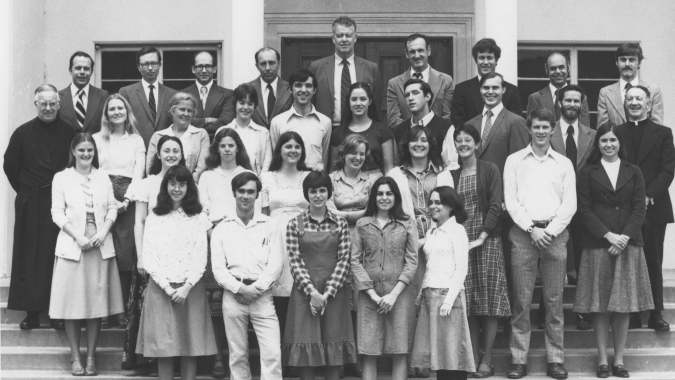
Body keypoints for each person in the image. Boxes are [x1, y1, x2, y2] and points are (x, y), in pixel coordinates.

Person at [573, 123, 653, 379]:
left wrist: (625, 237)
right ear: (598, 144)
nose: (608, 145)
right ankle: (602, 358)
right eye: (604, 141)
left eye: (613, 141)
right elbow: (584, 209)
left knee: (623, 304)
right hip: (599, 244)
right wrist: (608, 235)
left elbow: (639, 207)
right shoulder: (587, 172)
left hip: (628, 245)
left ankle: (619, 359)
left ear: (620, 143)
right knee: (599, 305)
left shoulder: (634, 171)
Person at [503, 107, 576, 380]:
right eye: (537, 126)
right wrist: (532, 229)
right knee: (521, 301)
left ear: (553, 129)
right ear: (529, 128)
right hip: (523, 235)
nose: (541, 131)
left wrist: (550, 231)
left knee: (554, 302)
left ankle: (555, 360)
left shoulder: (563, 163)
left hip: (555, 237)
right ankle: (518, 360)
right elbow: (511, 201)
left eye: (546, 127)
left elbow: (569, 205)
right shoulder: (515, 161)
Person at [49, 133, 123, 376]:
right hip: (74, 247)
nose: (86, 155)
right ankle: (75, 356)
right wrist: (78, 237)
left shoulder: (102, 176)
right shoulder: (61, 178)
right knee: (72, 305)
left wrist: (103, 231)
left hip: (99, 247)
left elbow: (112, 206)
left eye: (90, 150)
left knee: (95, 306)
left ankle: (91, 357)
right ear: (73, 151)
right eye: (81, 150)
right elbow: (57, 213)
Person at [3, 84, 76, 330]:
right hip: (31, 201)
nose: (48, 108)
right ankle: (32, 313)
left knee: (55, 258)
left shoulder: (69, 132)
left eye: (52, 103)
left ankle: (56, 313)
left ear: (58, 104)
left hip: (60, 203)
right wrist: (26, 191)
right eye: (43, 103)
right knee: (28, 257)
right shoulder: (22, 132)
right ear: (36, 104)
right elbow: (10, 166)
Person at [136, 165, 217, 380]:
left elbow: (201, 254)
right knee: (165, 346)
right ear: (165, 186)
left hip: (190, 288)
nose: (177, 188)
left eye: (182, 184)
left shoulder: (198, 216)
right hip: (162, 288)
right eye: (172, 183)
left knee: (190, 345)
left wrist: (187, 286)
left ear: (189, 187)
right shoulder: (155, 216)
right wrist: (167, 287)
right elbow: (150, 255)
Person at [283, 171, 357, 380]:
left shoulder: (339, 223)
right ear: (307, 194)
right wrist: (313, 293)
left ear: (329, 193)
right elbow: (295, 262)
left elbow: (344, 260)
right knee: (307, 349)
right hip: (305, 293)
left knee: (333, 347)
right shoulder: (294, 224)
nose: (318, 195)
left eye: (322, 190)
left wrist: (327, 293)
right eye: (313, 191)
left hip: (334, 292)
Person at [121, 135, 187, 371]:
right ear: (158, 154)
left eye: (175, 151)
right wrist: (141, 256)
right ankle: (147, 359)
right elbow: (139, 222)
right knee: (148, 307)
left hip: (180, 260)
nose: (171, 154)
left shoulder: (188, 183)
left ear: (181, 155)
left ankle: (176, 358)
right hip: (150, 255)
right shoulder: (147, 184)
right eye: (166, 150)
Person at [211, 172, 284, 380]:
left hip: (263, 296)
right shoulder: (222, 229)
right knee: (238, 354)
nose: (245, 196)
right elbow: (218, 269)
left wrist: (255, 289)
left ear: (257, 195)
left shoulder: (271, 225)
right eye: (241, 191)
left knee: (272, 353)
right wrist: (241, 289)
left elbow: (276, 265)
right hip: (233, 296)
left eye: (250, 191)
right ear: (234, 193)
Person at [450, 124, 509, 378]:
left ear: (477, 143)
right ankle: (472, 357)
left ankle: (487, 358)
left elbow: (496, 206)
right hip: (461, 242)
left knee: (490, 300)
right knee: (469, 299)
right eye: (458, 140)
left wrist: (482, 236)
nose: (463, 144)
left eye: (467, 140)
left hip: (487, 241)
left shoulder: (490, 169)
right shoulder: (452, 174)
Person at [618, 85, 674, 331]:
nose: (634, 102)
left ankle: (655, 314)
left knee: (653, 259)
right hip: (624, 207)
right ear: (625, 104)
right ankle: (630, 313)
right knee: (628, 261)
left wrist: (650, 194)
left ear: (649, 104)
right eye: (630, 99)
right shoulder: (616, 132)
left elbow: (667, 169)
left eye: (639, 98)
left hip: (654, 206)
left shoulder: (663, 133)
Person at [351, 176, 418, 380]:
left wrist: (393, 295)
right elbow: (354, 260)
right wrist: (372, 294)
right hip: (368, 296)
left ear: (395, 196)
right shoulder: (363, 224)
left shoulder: (407, 223)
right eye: (380, 193)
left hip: (399, 295)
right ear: (374, 197)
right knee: (369, 351)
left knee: (399, 351)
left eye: (389, 193)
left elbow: (412, 261)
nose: (384, 197)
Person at [92, 94, 146, 329]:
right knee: (103, 254)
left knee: (124, 256)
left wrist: (126, 199)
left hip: (128, 195)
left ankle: (122, 309)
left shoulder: (136, 140)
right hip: (101, 194)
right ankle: (103, 310)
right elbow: (94, 170)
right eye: (111, 108)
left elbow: (139, 173)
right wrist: (108, 199)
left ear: (127, 112)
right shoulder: (96, 139)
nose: (116, 112)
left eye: (120, 108)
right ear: (106, 113)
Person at [410, 186, 475, 380]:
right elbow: (428, 262)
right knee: (438, 357)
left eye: (438, 202)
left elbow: (461, 269)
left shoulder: (457, 230)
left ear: (451, 205)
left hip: (448, 296)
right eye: (431, 202)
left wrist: (448, 300)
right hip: (430, 297)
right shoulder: (432, 232)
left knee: (452, 355)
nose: (432, 206)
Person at [546, 84, 596, 330]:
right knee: (550, 260)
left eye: (577, 101)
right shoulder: (546, 132)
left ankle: (582, 313)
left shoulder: (592, 135)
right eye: (568, 100)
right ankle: (547, 314)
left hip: (584, 208)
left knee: (582, 262)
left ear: (582, 104)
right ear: (559, 102)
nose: (572, 105)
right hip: (553, 206)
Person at [260, 131, 311, 375]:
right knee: (278, 295)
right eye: (288, 146)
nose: (292, 150)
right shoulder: (268, 177)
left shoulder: (309, 176)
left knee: (299, 294)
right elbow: (261, 212)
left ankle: (297, 357)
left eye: (297, 146)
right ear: (279, 149)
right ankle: (277, 356)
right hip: (274, 235)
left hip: (302, 234)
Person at [309, 15, 381, 129]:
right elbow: (310, 103)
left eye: (348, 35)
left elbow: (376, 107)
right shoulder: (317, 67)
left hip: (361, 129)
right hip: (327, 130)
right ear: (333, 38)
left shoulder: (371, 68)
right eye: (339, 35)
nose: (344, 39)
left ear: (355, 38)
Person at [464, 72, 529, 176]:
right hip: (474, 187)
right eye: (486, 88)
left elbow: (520, 163)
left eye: (495, 88)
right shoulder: (469, 124)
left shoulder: (516, 122)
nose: (490, 92)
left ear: (503, 90)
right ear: (480, 90)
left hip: (502, 187)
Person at [451, 38, 523, 129]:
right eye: (481, 58)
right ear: (476, 61)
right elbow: (458, 123)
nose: (485, 62)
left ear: (496, 61)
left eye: (489, 58)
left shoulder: (511, 90)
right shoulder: (461, 89)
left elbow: (515, 123)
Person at [387, 34, 454, 129]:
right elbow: (393, 120)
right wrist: (416, 136)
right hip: (408, 140)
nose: (417, 55)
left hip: (438, 140)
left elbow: (448, 116)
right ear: (406, 53)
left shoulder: (446, 80)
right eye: (412, 51)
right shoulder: (394, 84)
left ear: (428, 50)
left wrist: (429, 138)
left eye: (420, 50)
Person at [270, 69, 332, 171]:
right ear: (290, 89)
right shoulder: (277, 122)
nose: (303, 90)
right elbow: (276, 156)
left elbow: (324, 157)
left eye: (308, 86)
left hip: (315, 181)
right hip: (288, 181)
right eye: (298, 85)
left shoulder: (325, 122)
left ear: (314, 90)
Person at [119, 46, 177, 147]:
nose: (150, 68)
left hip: (165, 152)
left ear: (160, 65)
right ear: (138, 66)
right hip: (136, 150)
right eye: (145, 64)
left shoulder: (172, 94)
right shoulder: (126, 92)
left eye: (154, 64)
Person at [330, 82, 393, 174]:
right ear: (349, 102)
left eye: (363, 99)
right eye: (354, 99)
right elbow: (334, 169)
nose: (358, 103)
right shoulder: (338, 132)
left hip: (375, 184)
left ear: (370, 101)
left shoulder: (382, 129)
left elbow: (389, 169)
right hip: (346, 184)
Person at [146, 92, 210, 182]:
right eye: (182, 109)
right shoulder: (158, 136)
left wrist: (188, 183)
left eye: (190, 111)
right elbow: (150, 167)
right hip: (160, 185)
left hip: (190, 184)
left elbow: (202, 166)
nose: (186, 114)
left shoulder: (201, 134)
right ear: (173, 111)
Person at [392, 79, 455, 169]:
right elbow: (397, 164)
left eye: (415, 93)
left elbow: (451, 165)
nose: (410, 98)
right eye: (407, 95)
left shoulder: (445, 127)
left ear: (427, 96)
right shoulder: (400, 129)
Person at [598, 43, 664, 127]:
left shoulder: (654, 91)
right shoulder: (605, 93)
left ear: (639, 63)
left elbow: (656, 128)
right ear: (617, 62)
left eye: (632, 60)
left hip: (645, 140)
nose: (627, 64)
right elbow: (603, 129)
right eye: (623, 59)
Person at [215, 84, 273, 175]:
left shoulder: (263, 132)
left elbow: (267, 164)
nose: (246, 107)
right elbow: (216, 161)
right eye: (242, 103)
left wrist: (258, 183)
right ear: (235, 104)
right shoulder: (222, 131)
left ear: (255, 106)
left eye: (250, 104)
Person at [328, 134, 381, 227]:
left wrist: (343, 214)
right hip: (337, 229)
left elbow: (372, 212)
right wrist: (361, 213)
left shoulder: (373, 181)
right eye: (353, 153)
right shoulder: (330, 179)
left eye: (362, 154)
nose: (358, 158)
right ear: (343, 154)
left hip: (365, 229)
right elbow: (330, 212)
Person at [181, 51, 235, 140]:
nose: (204, 70)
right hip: (189, 144)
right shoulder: (182, 94)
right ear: (193, 69)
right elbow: (181, 121)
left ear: (214, 69)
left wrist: (197, 126)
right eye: (200, 66)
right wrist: (206, 120)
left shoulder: (227, 94)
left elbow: (225, 121)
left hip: (216, 145)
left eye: (208, 66)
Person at [526, 52, 590, 127]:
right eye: (553, 68)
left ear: (568, 68)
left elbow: (585, 130)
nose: (558, 71)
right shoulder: (535, 98)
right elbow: (530, 130)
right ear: (547, 70)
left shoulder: (581, 98)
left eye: (561, 67)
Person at [57, 51, 110, 133]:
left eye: (86, 68)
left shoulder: (103, 96)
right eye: (78, 68)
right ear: (70, 70)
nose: (82, 72)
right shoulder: (58, 97)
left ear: (91, 71)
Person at [247, 47, 293, 129]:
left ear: (279, 63)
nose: (267, 68)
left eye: (272, 63)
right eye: (263, 64)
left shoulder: (290, 89)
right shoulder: (247, 88)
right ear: (257, 66)